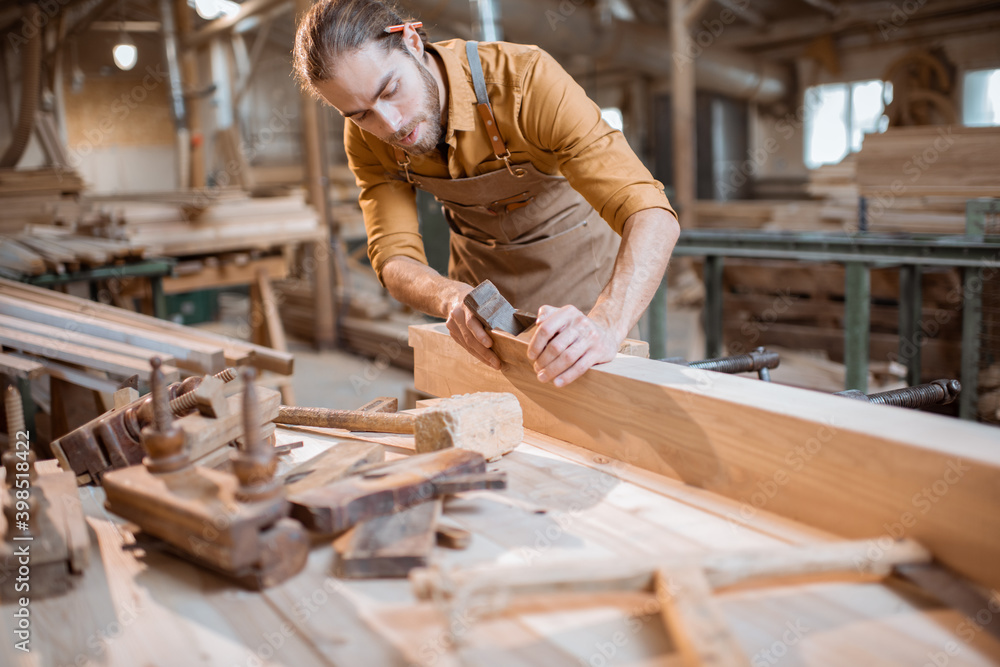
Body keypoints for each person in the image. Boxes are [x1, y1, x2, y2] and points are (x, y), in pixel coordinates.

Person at [293, 0, 680, 386]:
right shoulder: (367, 138)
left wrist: (607, 323)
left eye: (391, 89)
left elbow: (650, 212)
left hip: (579, 294)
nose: (390, 124)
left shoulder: (527, 82)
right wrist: (449, 297)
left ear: (411, 41)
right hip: (478, 315)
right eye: (360, 114)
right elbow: (393, 257)